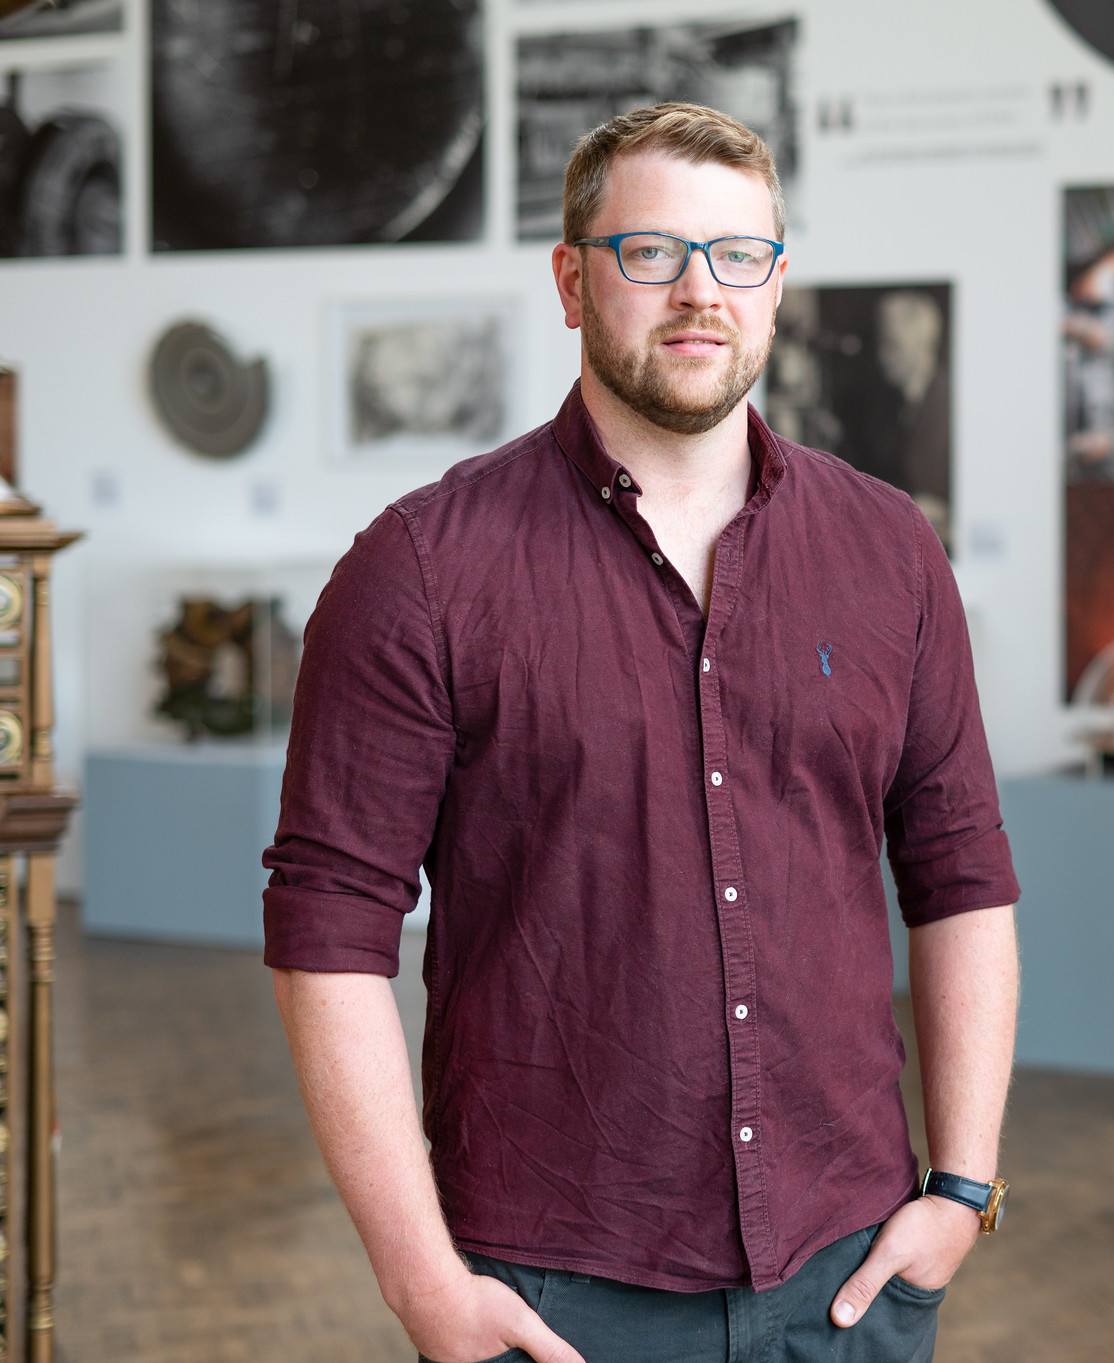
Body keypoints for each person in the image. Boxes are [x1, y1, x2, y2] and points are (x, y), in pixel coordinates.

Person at [263, 102, 1021, 1363]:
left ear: (775, 285)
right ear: (572, 281)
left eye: (738, 255)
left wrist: (961, 1187)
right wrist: (421, 1282)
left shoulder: (890, 550)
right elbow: (328, 930)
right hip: (552, 1293)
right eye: (651, 251)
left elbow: (961, 876)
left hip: (847, 1274)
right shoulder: (420, 571)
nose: (699, 292)